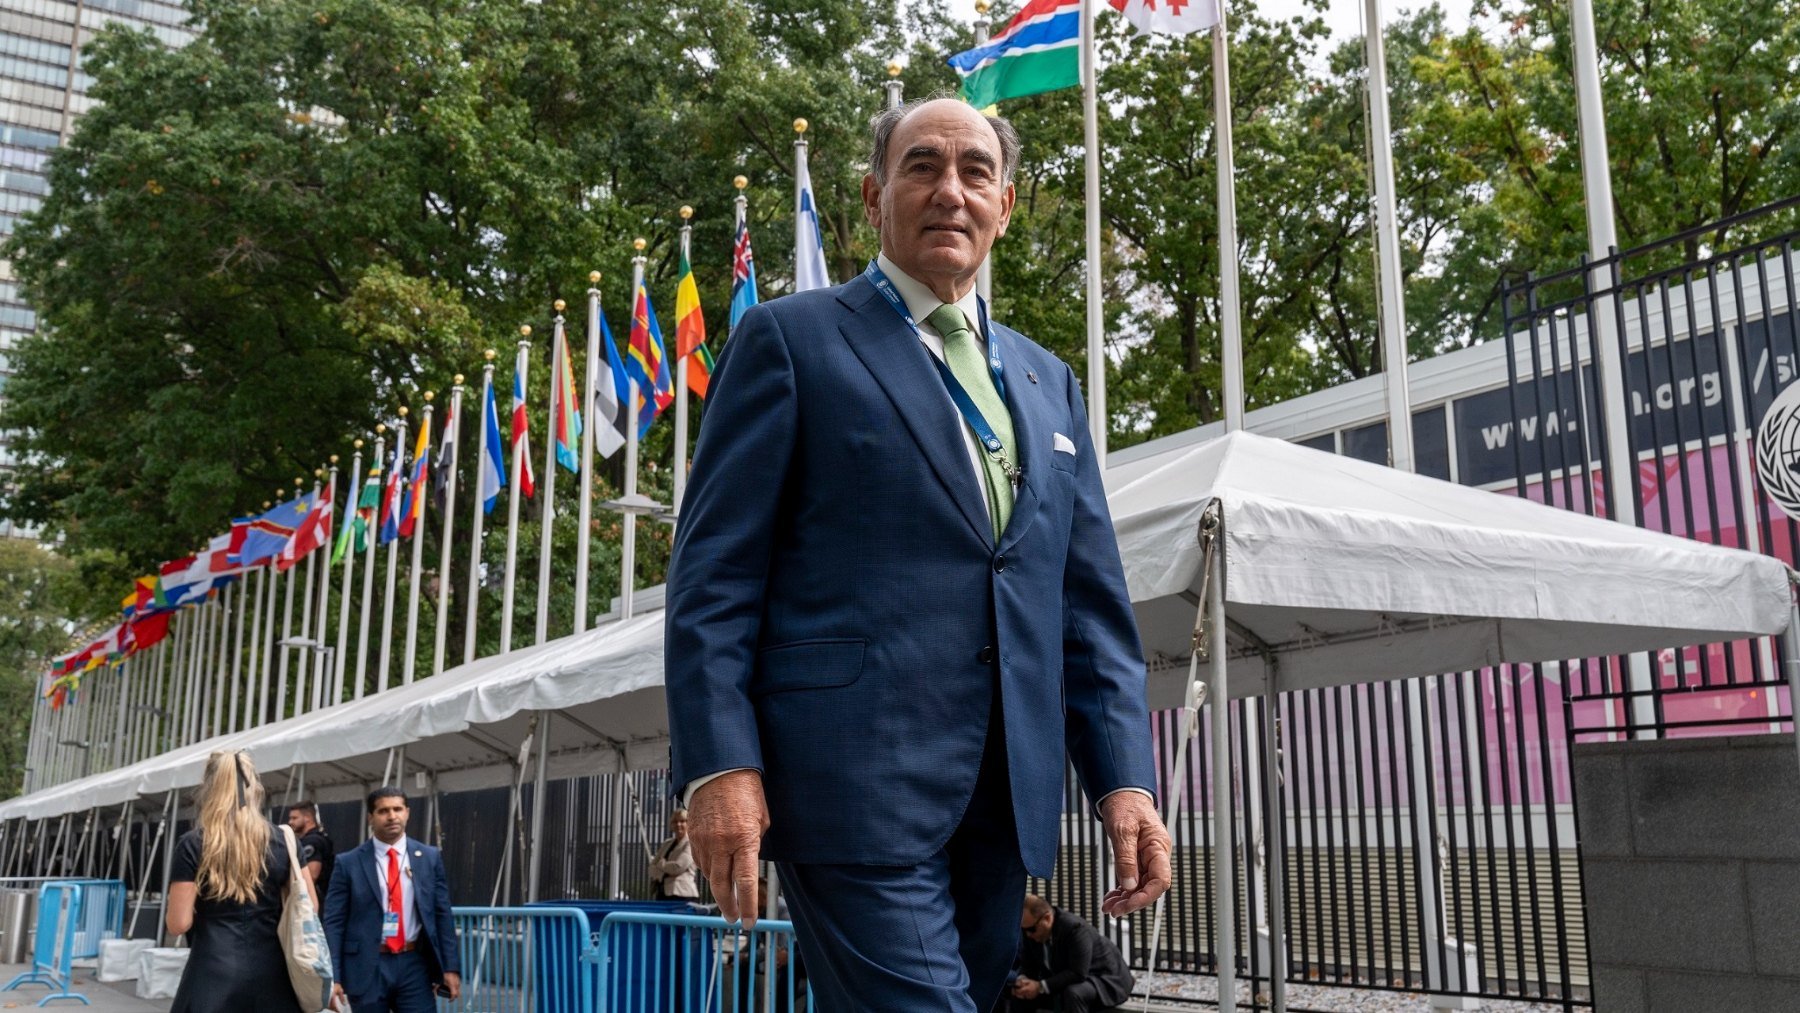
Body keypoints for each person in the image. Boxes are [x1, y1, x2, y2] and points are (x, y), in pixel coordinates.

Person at [665, 95, 1172, 1012]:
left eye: (976, 170)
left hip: (1004, 804)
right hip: (850, 789)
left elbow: (1087, 605)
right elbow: (713, 579)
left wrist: (1125, 778)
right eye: (922, 166)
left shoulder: (1048, 381)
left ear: (1006, 205)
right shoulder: (790, 340)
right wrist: (718, 764)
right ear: (872, 195)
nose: (951, 190)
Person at [164, 750, 314, 1013]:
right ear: (254, 786)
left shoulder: (193, 844)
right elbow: (309, 905)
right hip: (274, 975)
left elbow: (178, 924)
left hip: (210, 975)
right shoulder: (283, 840)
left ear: (208, 789)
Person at [323, 787, 461, 1012]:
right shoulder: (347, 863)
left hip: (414, 964)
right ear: (371, 817)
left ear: (407, 812)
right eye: (383, 811)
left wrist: (451, 968)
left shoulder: (429, 857)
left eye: (397, 809)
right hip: (367, 966)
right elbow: (334, 922)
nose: (392, 816)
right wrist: (333, 977)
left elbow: (442, 915)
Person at [1006, 895, 1134, 1012]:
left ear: (1047, 918)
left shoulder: (1074, 928)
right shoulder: (1032, 932)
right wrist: (1023, 981)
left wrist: (1039, 986)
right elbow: (1028, 965)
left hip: (1103, 980)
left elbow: (1077, 973)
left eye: (1031, 929)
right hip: (1064, 979)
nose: (1028, 934)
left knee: (1073, 993)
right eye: (1024, 930)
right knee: (1019, 992)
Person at [287, 800, 336, 900]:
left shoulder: (312, 841)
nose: (290, 822)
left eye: (294, 818)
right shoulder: (316, 838)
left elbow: (312, 875)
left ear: (308, 818)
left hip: (315, 899)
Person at [649, 808, 699, 901]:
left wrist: (661, 865)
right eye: (675, 821)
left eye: (682, 821)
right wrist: (664, 871)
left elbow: (678, 867)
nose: (678, 824)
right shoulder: (666, 844)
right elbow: (652, 867)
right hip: (662, 892)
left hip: (683, 894)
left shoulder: (692, 843)